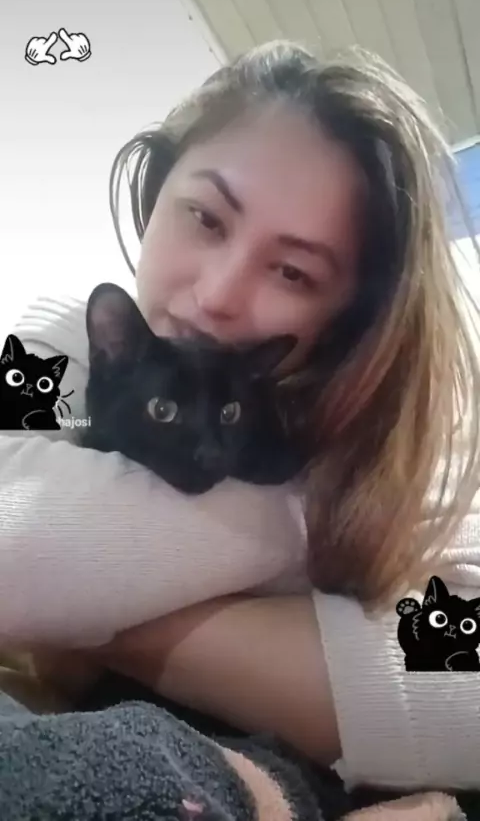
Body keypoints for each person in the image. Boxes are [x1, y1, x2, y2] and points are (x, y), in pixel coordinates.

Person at [2, 39, 480, 791]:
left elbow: (467, 690)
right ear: (157, 188)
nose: (218, 295)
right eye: (206, 217)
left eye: (292, 271)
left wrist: (97, 619)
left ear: (350, 319)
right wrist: (305, 524)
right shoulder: (59, 335)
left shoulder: (419, 447)